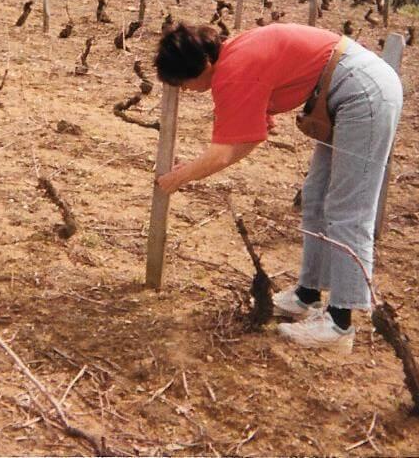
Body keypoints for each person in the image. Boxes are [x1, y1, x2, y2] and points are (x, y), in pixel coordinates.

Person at [153, 22, 402, 353]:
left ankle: (340, 323)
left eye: (182, 82)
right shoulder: (235, 56)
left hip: (362, 92)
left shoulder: (234, 69)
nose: (183, 90)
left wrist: (176, 179)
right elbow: (248, 134)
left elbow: (227, 151)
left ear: (203, 66)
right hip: (341, 91)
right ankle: (308, 295)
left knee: (348, 209)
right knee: (315, 198)